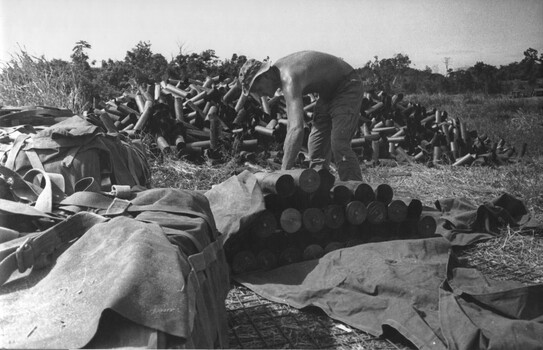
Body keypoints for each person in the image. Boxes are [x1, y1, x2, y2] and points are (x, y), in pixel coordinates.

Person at [238, 50, 363, 181]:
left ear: (264, 76)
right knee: (316, 147)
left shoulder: (289, 77)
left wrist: (282, 175)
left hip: (347, 84)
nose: (261, 94)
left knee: (339, 143)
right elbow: (291, 127)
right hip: (327, 95)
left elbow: (297, 129)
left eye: (258, 89)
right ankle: (320, 188)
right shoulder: (280, 76)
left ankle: (355, 190)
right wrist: (285, 165)